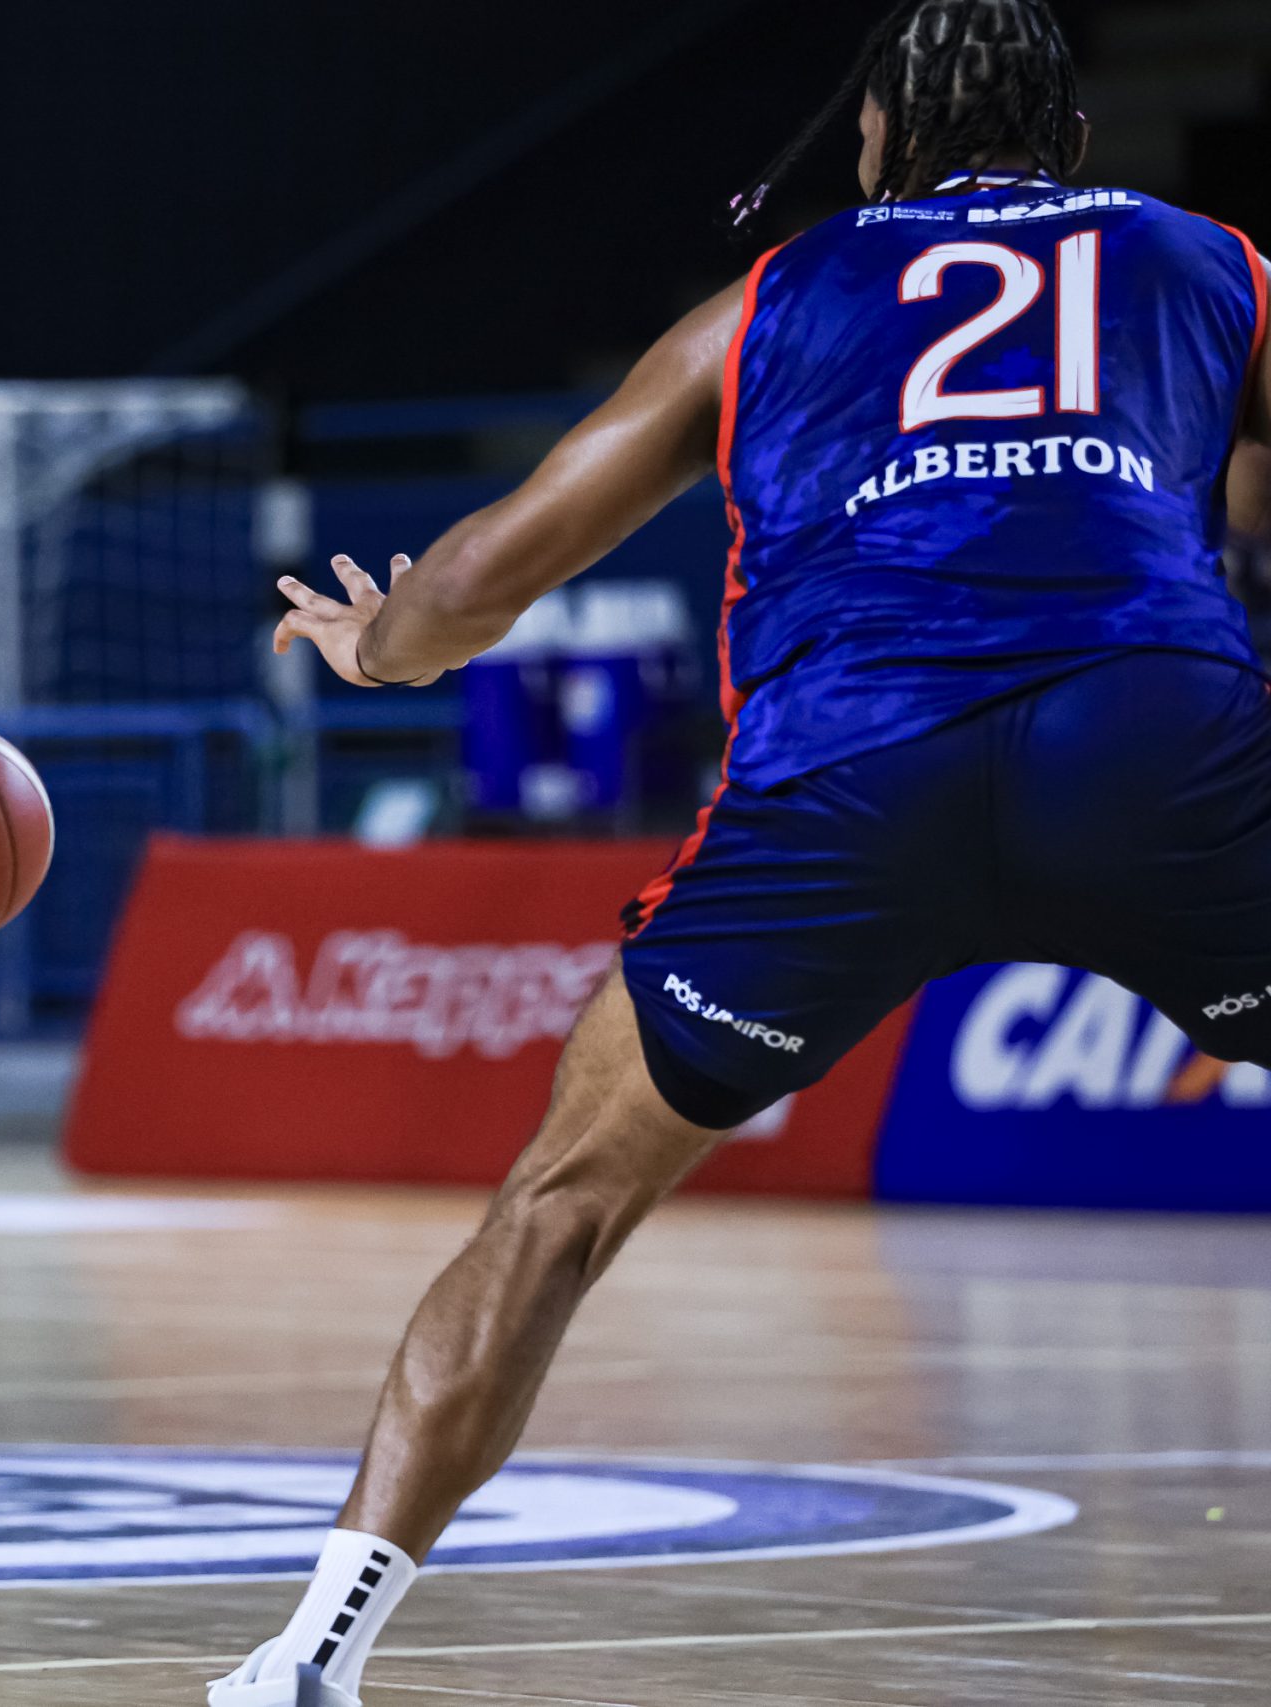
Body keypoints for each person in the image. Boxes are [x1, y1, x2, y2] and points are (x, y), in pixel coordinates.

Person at [215, 2, 1271, 1701]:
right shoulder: (1213, 261)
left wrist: (378, 649)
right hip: (1149, 741)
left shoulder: (766, 300)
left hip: (851, 773)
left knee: (559, 1208)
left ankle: (308, 1656)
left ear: (871, 143)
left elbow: (482, 578)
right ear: (1076, 144)